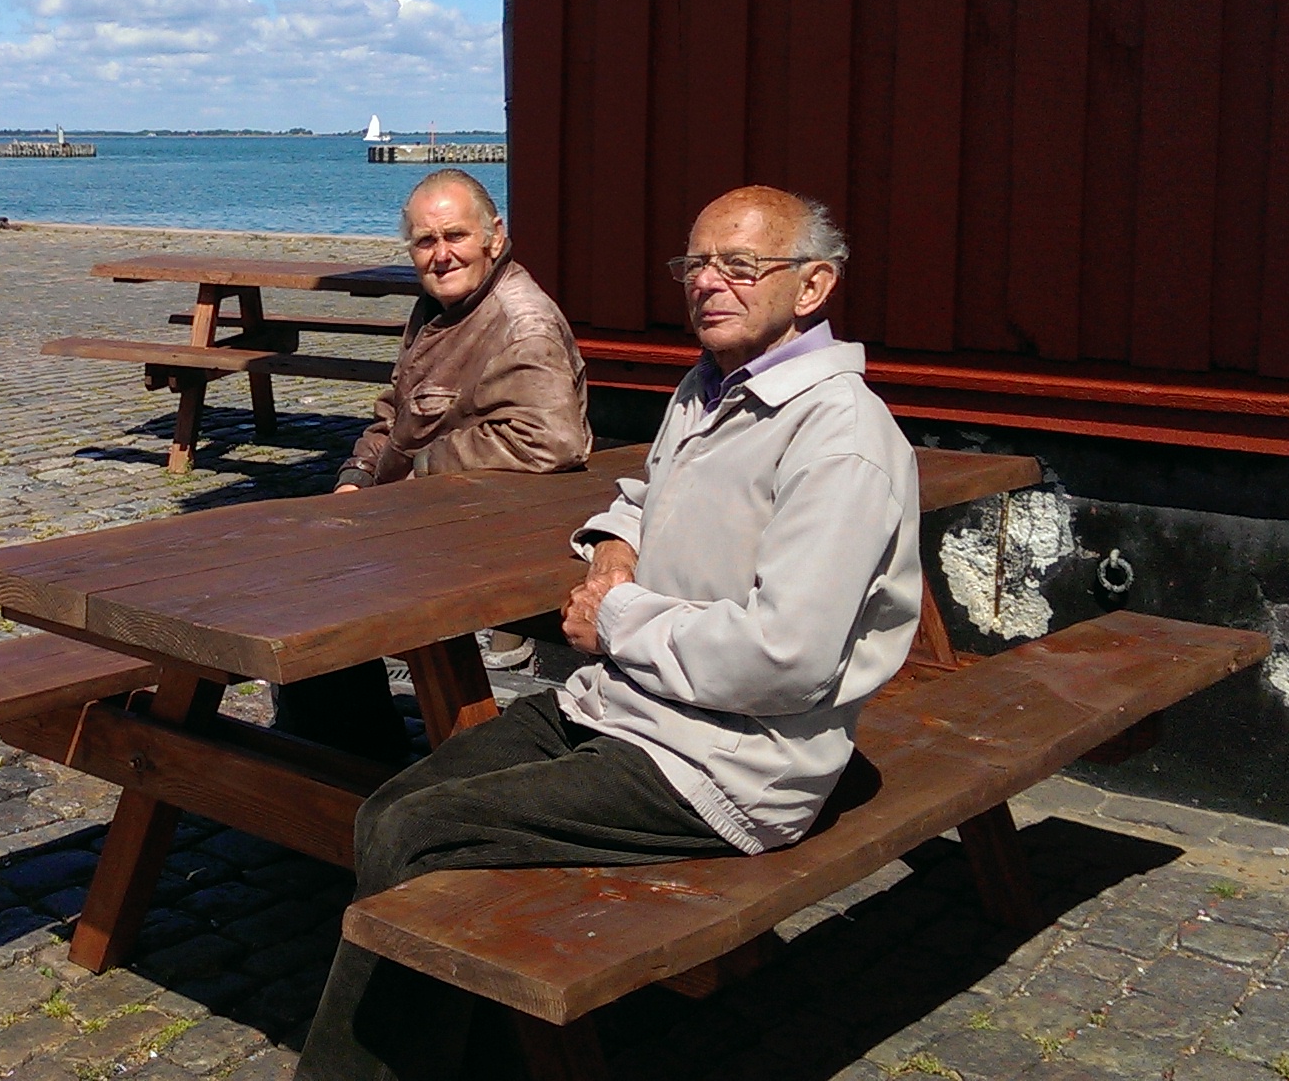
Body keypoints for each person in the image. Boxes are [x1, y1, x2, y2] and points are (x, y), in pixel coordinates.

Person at [294, 185, 923, 1081]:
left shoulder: (839, 438)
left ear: (813, 286)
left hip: (727, 765)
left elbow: (786, 657)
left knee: (421, 836)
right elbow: (645, 493)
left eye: (741, 266)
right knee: (389, 805)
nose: (710, 284)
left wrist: (617, 615)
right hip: (625, 708)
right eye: (696, 264)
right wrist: (617, 542)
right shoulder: (709, 388)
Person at [272, 170, 592, 763]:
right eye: (425, 241)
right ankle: (335, 751)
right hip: (429, 515)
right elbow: (394, 416)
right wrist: (353, 480)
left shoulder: (522, 323)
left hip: (484, 530)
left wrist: (422, 469)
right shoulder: (439, 309)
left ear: (495, 236)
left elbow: (552, 441)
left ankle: (352, 765)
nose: (441, 255)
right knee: (298, 566)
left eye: (455, 236)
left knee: (319, 593)